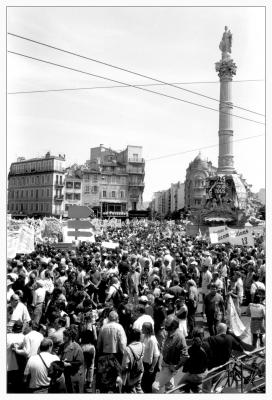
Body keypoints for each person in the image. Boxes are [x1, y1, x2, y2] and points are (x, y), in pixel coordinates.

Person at [202, 323, 244, 393]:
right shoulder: (230, 338)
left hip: (212, 368)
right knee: (213, 384)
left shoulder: (211, 339)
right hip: (224, 367)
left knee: (206, 388)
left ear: (218, 329)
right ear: (226, 329)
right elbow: (240, 348)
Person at [152, 316, 188, 393]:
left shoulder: (179, 337)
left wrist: (176, 367)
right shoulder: (168, 332)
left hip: (169, 367)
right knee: (169, 387)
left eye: (167, 324)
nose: (165, 325)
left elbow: (185, 356)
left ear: (173, 326)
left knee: (155, 387)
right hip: (165, 363)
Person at [96, 310, 127, 392]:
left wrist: (99, 352)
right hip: (116, 355)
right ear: (117, 318)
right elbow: (122, 343)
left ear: (109, 318)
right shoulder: (119, 327)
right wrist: (124, 354)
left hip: (104, 354)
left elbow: (99, 343)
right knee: (117, 376)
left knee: (105, 377)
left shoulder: (103, 327)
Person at [177, 327, 208, 392]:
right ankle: (196, 390)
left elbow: (187, 365)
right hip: (205, 373)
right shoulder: (206, 345)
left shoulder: (191, 349)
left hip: (196, 375)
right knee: (191, 384)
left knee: (180, 386)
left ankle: (196, 390)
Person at [59, 326, 85, 393]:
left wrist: (69, 364)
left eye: (65, 336)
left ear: (70, 337)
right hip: (65, 376)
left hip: (74, 376)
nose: (63, 337)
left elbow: (80, 362)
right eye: (63, 335)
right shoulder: (62, 346)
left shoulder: (77, 348)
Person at [122, 328, 144, 393]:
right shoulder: (143, 345)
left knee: (131, 389)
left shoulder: (128, 349)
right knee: (138, 387)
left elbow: (125, 366)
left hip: (131, 374)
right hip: (140, 370)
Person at [141, 322, 160, 393]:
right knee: (144, 384)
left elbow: (156, 355)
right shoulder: (144, 337)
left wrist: (152, 367)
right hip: (144, 364)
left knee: (149, 385)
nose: (141, 329)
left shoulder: (152, 340)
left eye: (143, 328)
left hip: (150, 365)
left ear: (147, 329)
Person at [7, 320, 25, 393]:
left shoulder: (7, 336)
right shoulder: (24, 337)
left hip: (7, 365)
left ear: (13, 328)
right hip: (18, 366)